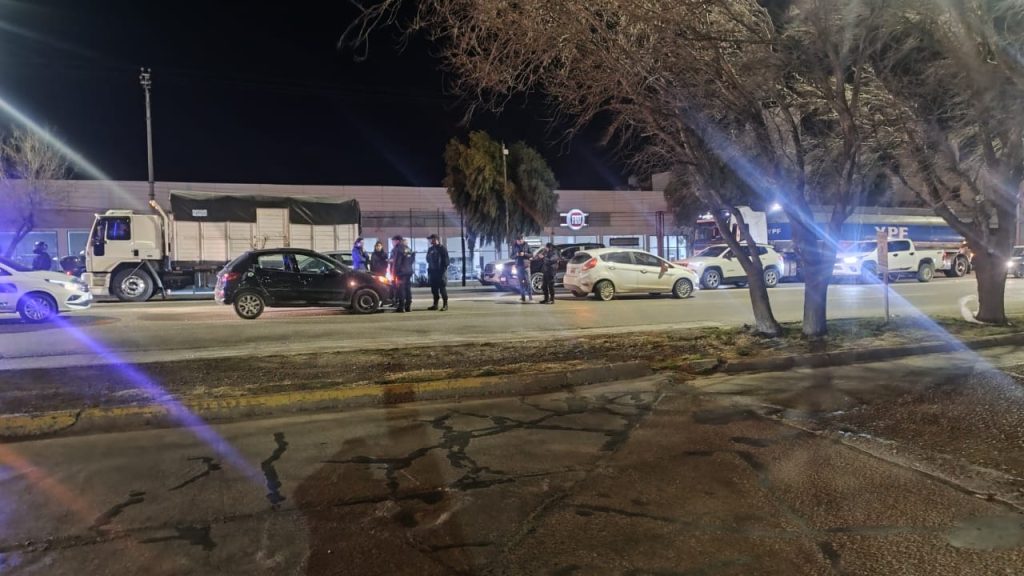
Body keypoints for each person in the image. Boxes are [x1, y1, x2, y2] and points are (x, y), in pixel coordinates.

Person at [390, 235, 414, 313]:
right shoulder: (408, 248)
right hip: (409, 271)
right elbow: (411, 260)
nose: (392, 243)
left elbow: (397, 262)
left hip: (401, 272)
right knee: (408, 289)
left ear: (397, 241)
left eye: (393, 241)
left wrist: (395, 273)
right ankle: (408, 306)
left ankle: (401, 306)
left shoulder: (398, 249)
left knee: (401, 289)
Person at [426, 233, 450, 311]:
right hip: (433, 272)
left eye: (431, 239)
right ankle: (435, 305)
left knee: (442, 288)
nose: (430, 241)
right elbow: (427, 259)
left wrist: (443, 270)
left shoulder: (442, 249)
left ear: (436, 239)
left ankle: (445, 305)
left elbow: (446, 261)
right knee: (434, 289)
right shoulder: (430, 249)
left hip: (440, 272)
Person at [512, 235, 533, 302]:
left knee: (528, 282)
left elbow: (531, 254)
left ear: (522, 240)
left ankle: (530, 297)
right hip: (518, 266)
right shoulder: (515, 246)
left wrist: (524, 254)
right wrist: (516, 255)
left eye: (520, 240)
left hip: (526, 266)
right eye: (518, 241)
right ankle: (523, 297)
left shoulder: (527, 245)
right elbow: (511, 256)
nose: (519, 242)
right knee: (520, 282)